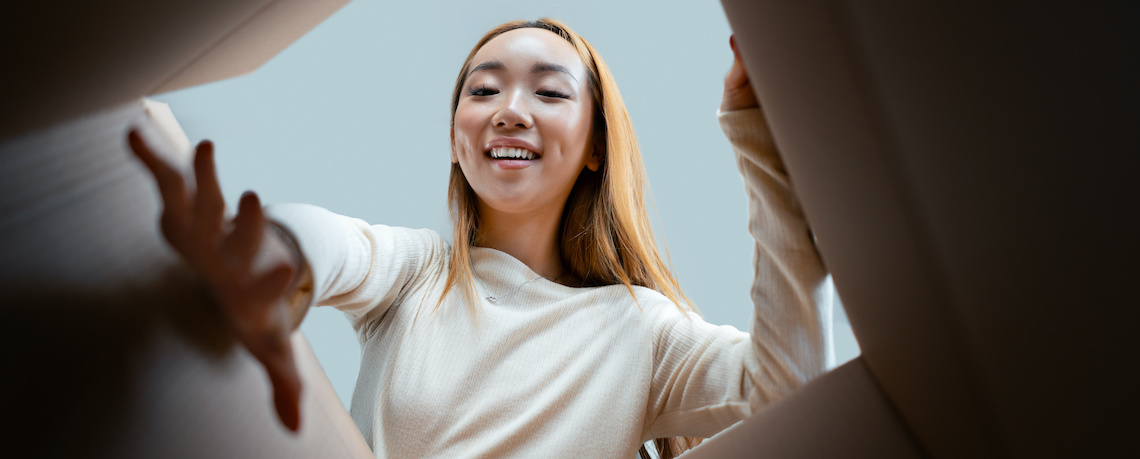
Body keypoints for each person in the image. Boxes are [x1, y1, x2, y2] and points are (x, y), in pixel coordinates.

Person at [128, 18, 831, 459]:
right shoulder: (418, 274)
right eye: (483, 90)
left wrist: (757, 136)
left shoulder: (639, 331)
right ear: (455, 140)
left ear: (594, 145)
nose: (510, 112)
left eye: (550, 93)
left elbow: (790, 390)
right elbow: (334, 242)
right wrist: (266, 260)